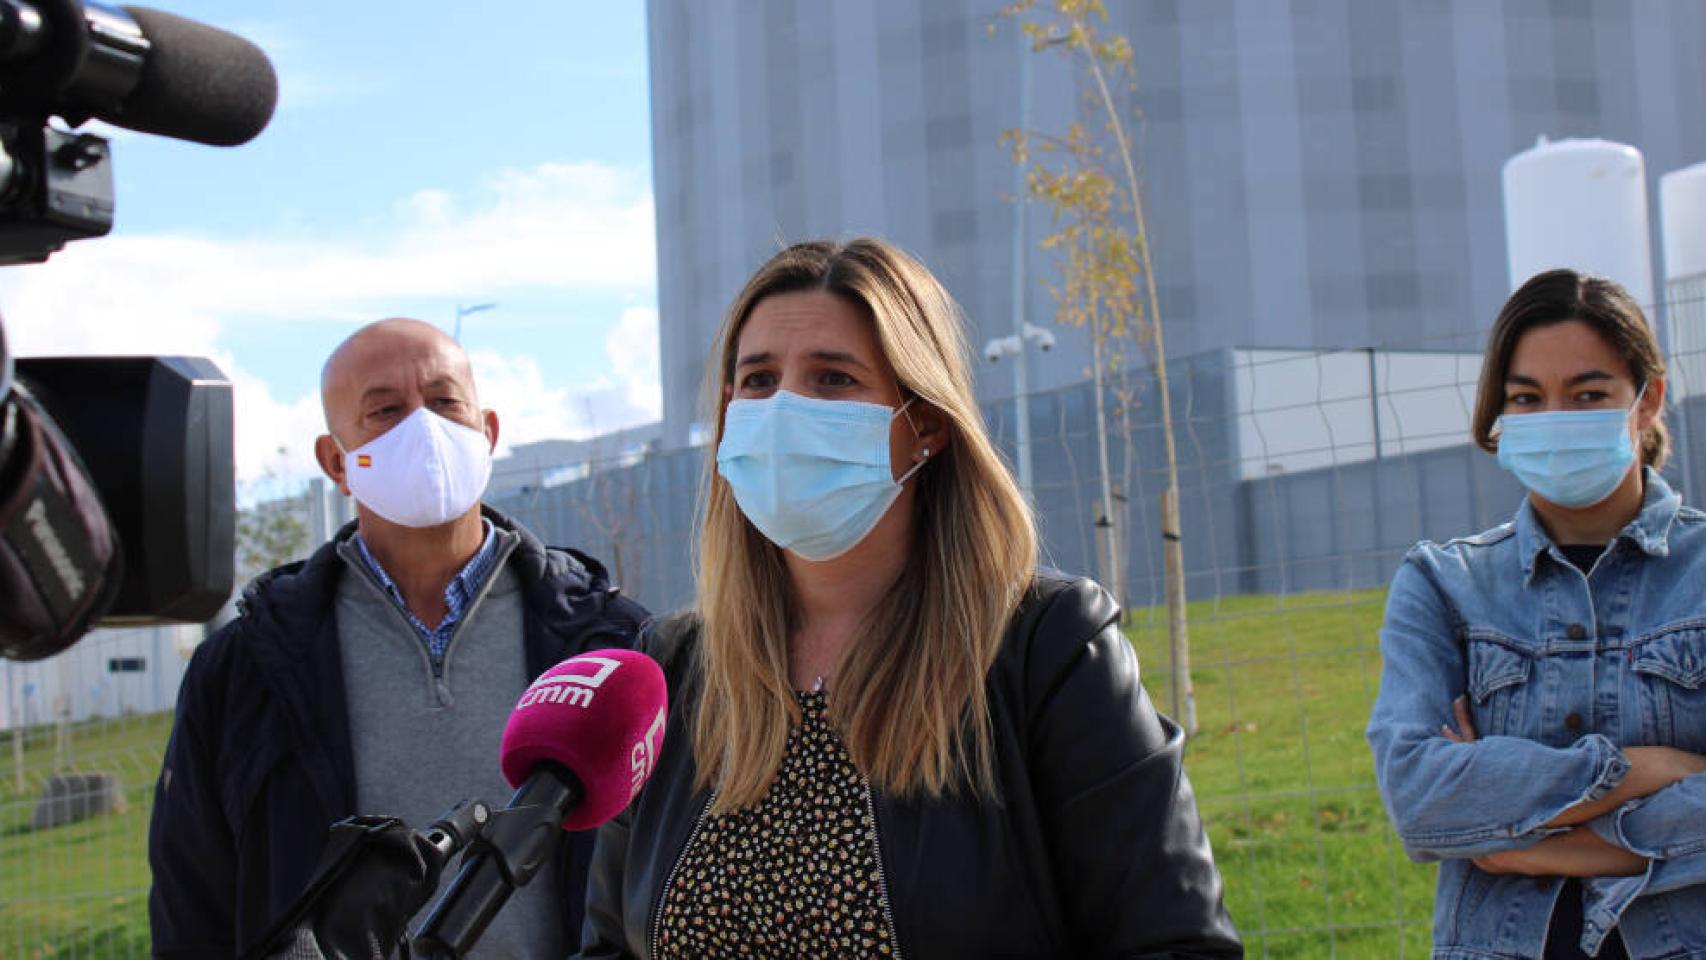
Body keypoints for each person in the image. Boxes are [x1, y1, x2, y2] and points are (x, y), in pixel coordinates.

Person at [580, 238, 1241, 958]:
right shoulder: (674, 670)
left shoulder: (1046, 653)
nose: (784, 409)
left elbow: (1176, 943)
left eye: (832, 379)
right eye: (760, 379)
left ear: (924, 423)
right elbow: (610, 944)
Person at [149, 318, 649, 959]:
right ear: (335, 461)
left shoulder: (611, 646)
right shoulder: (245, 670)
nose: (424, 430)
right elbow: (193, 909)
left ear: (487, 431)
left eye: (445, 403)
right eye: (385, 411)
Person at [1367, 269, 1706, 958]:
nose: (1556, 418)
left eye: (1587, 394)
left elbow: (1462, 811)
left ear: (1648, 400)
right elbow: (1421, 800)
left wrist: (1543, 845)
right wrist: (1650, 769)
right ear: (1500, 414)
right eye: (1527, 398)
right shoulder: (1442, 584)